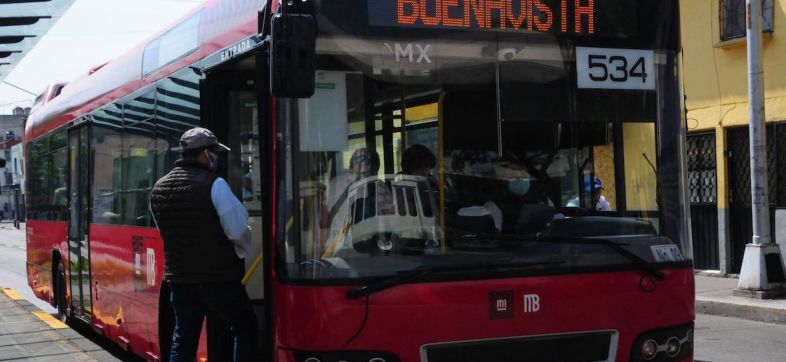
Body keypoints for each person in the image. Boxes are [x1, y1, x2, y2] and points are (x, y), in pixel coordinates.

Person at [150, 127, 256, 362]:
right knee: (245, 328)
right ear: (205, 153)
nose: (216, 157)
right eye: (215, 152)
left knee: (184, 337)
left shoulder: (159, 188)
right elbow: (236, 230)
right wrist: (243, 247)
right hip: (217, 277)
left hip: (179, 279)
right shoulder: (214, 184)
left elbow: (167, 231)